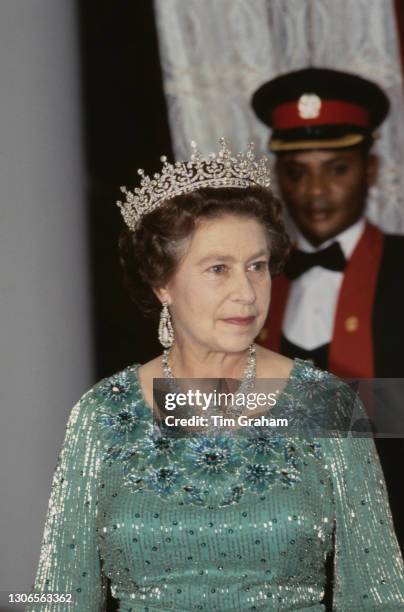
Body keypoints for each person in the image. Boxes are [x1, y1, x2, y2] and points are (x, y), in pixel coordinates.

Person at [27, 139, 404, 611]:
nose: (246, 293)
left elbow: (379, 594)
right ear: (162, 282)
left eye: (257, 267)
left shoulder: (325, 403)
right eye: (218, 269)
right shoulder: (102, 414)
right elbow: (61, 597)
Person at [251, 67, 404, 550]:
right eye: (297, 173)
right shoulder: (252, 277)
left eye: (336, 169)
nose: (315, 193)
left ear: (371, 170)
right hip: (276, 544)